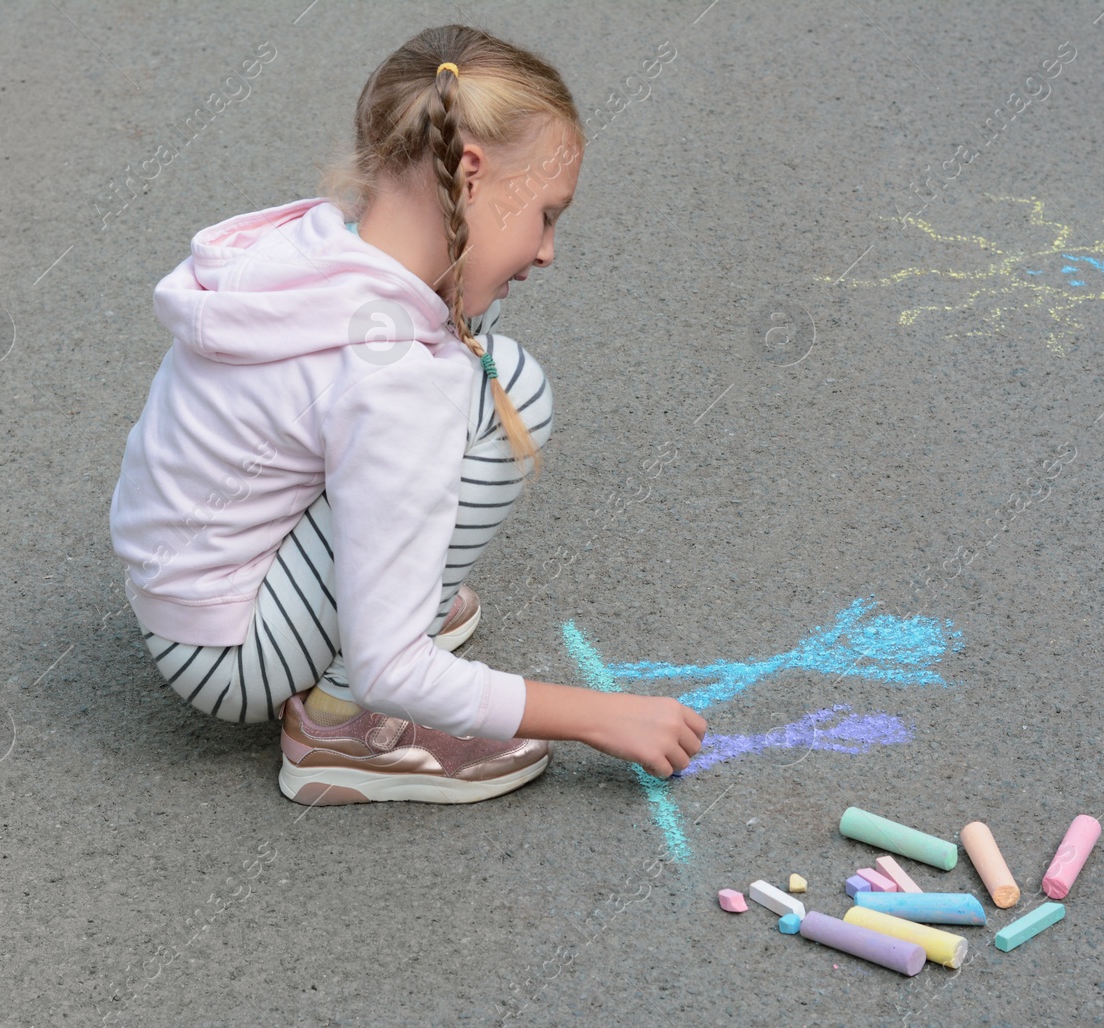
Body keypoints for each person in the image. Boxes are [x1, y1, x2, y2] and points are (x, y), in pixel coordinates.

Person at [108, 24, 705, 806]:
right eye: (547, 214)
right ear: (470, 171)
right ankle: (341, 724)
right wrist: (601, 717)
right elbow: (397, 666)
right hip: (229, 654)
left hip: (181, 593)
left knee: (473, 347)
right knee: (509, 389)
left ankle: (377, 595)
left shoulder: (320, 245)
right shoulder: (394, 376)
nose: (550, 249)